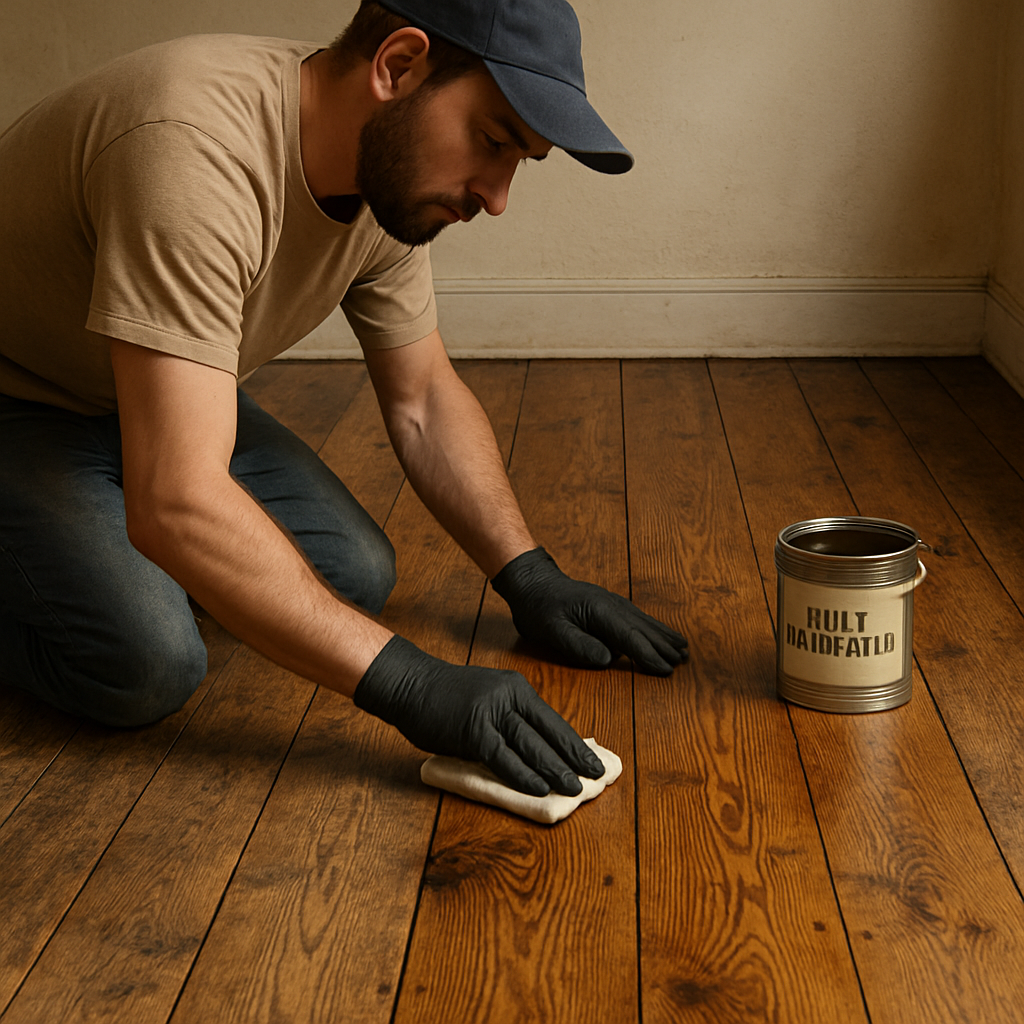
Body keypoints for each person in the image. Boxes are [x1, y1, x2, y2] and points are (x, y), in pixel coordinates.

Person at [0, 0, 688, 798]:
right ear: (398, 66)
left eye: (520, 162)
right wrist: (410, 684)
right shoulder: (193, 151)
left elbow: (423, 395)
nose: (496, 196)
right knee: (144, 661)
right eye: (494, 141)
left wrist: (527, 573)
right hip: (16, 393)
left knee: (350, 571)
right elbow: (177, 503)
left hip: (133, 385)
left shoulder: (384, 178)